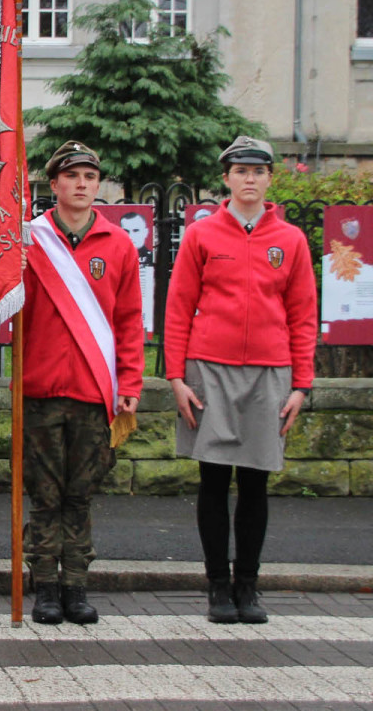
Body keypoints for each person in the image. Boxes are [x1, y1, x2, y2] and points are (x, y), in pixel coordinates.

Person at [164, 135, 317, 625]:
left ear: (269, 179)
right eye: (240, 171)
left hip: (269, 374)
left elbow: (303, 314)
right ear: (225, 178)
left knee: (255, 483)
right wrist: (175, 376)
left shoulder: (290, 239)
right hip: (209, 368)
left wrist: (301, 384)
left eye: (258, 171)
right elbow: (179, 305)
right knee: (212, 478)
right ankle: (217, 588)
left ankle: (247, 586)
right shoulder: (202, 235)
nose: (249, 179)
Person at [21, 141, 143, 625]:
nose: (81, 185)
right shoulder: (31, 242)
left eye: (90, 177)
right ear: (54, 185)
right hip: (40, 391)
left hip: (95, 392)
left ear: (98, 184)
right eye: (72, 177)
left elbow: (131, 321)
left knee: (80, 494)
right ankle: (45, 587)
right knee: (45, 494)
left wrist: (130, 381)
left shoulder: (117, 246)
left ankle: (76, 585)